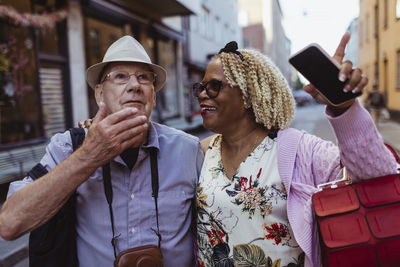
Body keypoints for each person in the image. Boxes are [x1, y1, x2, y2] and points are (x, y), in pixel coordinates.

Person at [193, 33, 398, 267]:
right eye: (200, 87)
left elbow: (379, 177)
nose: (201, 94)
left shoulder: (298, 149)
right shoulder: (202, 152)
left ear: (248, 94)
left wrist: (344, 107)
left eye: (214, 86)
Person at [0, 36, 203, 266]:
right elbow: (10, 224)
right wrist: (89, 156)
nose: (135, 85)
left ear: (153, 96)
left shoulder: (187, 149)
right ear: (99, 94)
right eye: (120, 76)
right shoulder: (68, 147)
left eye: (143, 78)